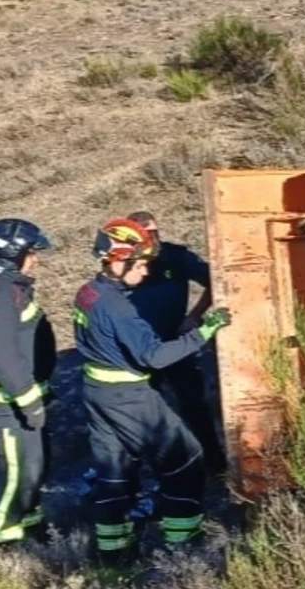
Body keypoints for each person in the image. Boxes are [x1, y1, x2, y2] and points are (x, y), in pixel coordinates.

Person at [75, 218, 232, 564]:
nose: (145, 271)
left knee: (114, 472)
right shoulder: (118, 307)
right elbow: (155, 356)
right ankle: (184, 551)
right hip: (128, 395)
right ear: (118, 260)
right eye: (140, 262)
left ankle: (113, 562)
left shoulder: (89, 292)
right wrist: (203, 331)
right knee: (185, 460)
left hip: (97, 392)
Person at [0, 219, 56, 549]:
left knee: (36, 465)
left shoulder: (6, 285)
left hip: (20, 394)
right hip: (9, 400)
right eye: (32, 253)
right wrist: (29, 400)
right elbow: (2, 355)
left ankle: (29, 522)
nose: (37, 259)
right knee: (20, 471)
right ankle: (2, 538)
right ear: (15, 254)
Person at [126, 211, 225, 473]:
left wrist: (194, 316)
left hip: (176, 342)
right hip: (139, 348)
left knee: (194, 404)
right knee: (143, 410)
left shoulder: (175, 257)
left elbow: (216, 281)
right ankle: (152, 469)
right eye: (144, 235)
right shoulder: (124, 264)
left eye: (154, 232)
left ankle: (216, 464)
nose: (151, 239)